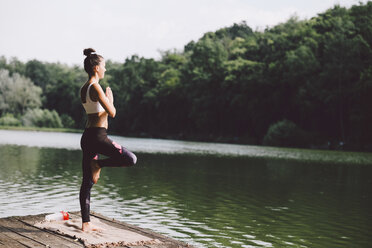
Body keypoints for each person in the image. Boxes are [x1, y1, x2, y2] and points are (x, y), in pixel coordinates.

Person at [79, 48, 137, 232]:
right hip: (98, 137)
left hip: (87, 137)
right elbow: (112, 112)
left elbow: (96, 114)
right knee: (131, 159)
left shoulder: (84, 88)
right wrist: (111, 99)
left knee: (87, 182)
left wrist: (107, 102)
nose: (105, 69)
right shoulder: (95, 87)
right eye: (104, 66)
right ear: (96, 68)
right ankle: (100, 165)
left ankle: (86, 223)